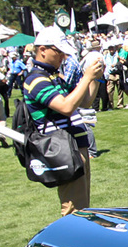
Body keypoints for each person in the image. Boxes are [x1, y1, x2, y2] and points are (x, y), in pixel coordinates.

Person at [23, 28, 103, 216]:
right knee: (74, 209)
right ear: (42, 50)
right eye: (59, 51)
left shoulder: (52, 76)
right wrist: (87, 77)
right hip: (65, 148)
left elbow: (83, 101)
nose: (63, 56)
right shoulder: (36, 80)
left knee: (82, 205)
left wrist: (96, 78)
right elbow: (66, 107)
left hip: (74, 145)